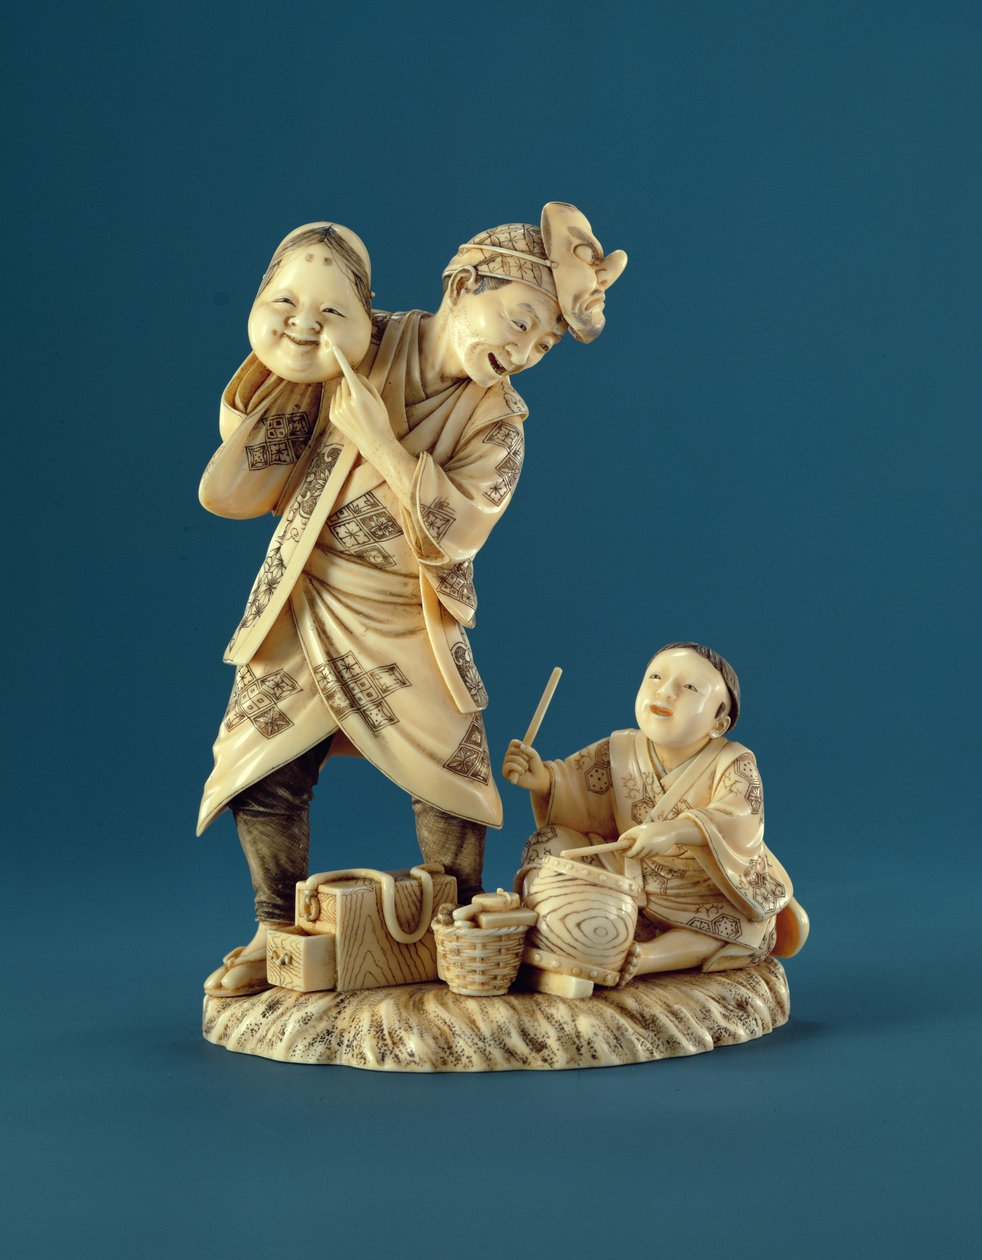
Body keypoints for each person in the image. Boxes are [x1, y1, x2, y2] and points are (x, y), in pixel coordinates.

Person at [199, 212, 627, 996]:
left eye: (543, 346)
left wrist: (383, 444)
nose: (524, 353)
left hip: (409, 614)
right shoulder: (364, 338)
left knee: (452, 782)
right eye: (520, 323)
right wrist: (293, 326)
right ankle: (275, 929)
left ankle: (458, 931)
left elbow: (458, 532)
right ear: (462, 286)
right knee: (263, 771)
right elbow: (267, 412)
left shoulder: (499, 424)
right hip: (309, 591)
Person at [503, 643, 808, 977]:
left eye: (689, 687)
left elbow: (739, 817)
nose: (665, 692)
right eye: (656, 677)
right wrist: (543, 780)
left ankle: (648, 956)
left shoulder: (733, 761)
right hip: (624, 867)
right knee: (550, 842)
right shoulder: (619, 748)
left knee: (749, 929)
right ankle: (551, 924)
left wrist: (674, 831)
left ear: (719, 723)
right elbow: (576, 789)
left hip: (697, 889)